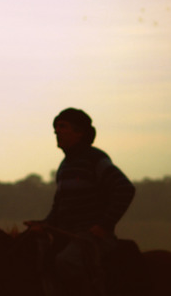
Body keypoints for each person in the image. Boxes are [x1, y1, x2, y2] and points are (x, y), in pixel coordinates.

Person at [26, 108, 136, 296]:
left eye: (63, 127)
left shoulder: (96, 159)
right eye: (56, 128)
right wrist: (44, 225)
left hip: (91, 238)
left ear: (80, 132)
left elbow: (125, 189)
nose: (57, 131)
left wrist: (104, 225)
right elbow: (59, 207)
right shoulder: (64, 166)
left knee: (66, 261)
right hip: (68, 236)